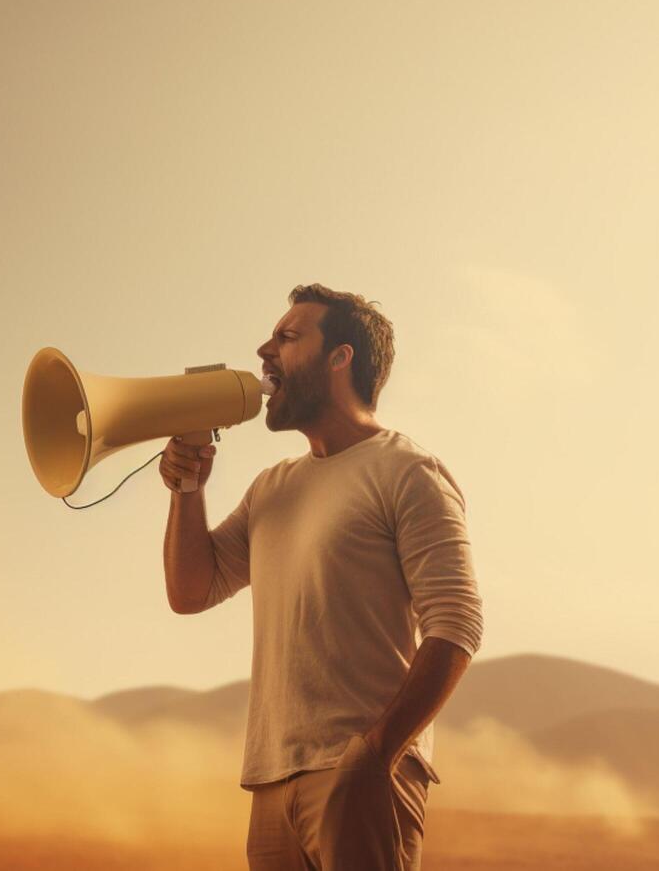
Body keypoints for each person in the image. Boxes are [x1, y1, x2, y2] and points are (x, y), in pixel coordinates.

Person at [161, 284, 483, 871]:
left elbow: (457, 624)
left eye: (287, 337)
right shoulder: (272, 489)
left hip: (360, 773)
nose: (264, 350)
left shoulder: (407, 471)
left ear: (340, 358)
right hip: (270, 781)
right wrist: (188, 487)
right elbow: (190, 591)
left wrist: (375, 754)